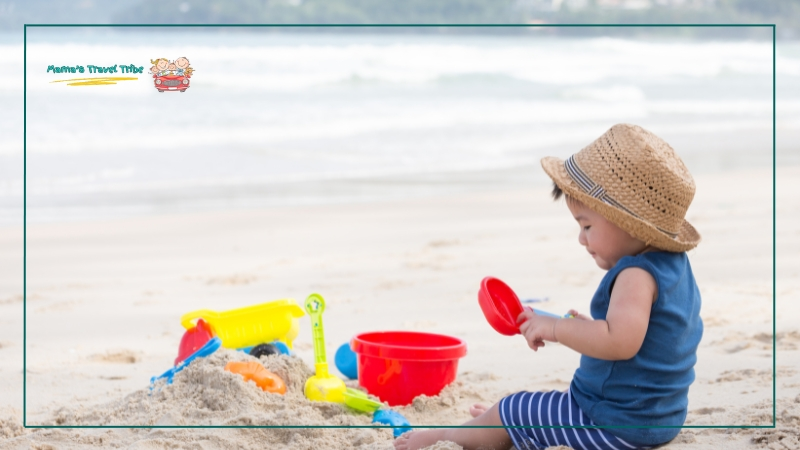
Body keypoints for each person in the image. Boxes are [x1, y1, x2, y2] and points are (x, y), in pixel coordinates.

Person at [395, 124, 704, 450]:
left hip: (615, 425)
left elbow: (620, 343)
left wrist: (556, 328)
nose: (581, 238)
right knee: (526, 413)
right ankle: (501, 428)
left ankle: (447, 437)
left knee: (512, 408)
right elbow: (648, 341)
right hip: (658, 419)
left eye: (587, 225)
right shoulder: (675, 267)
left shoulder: (635, 275)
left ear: (626, 221)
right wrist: (588, 329)